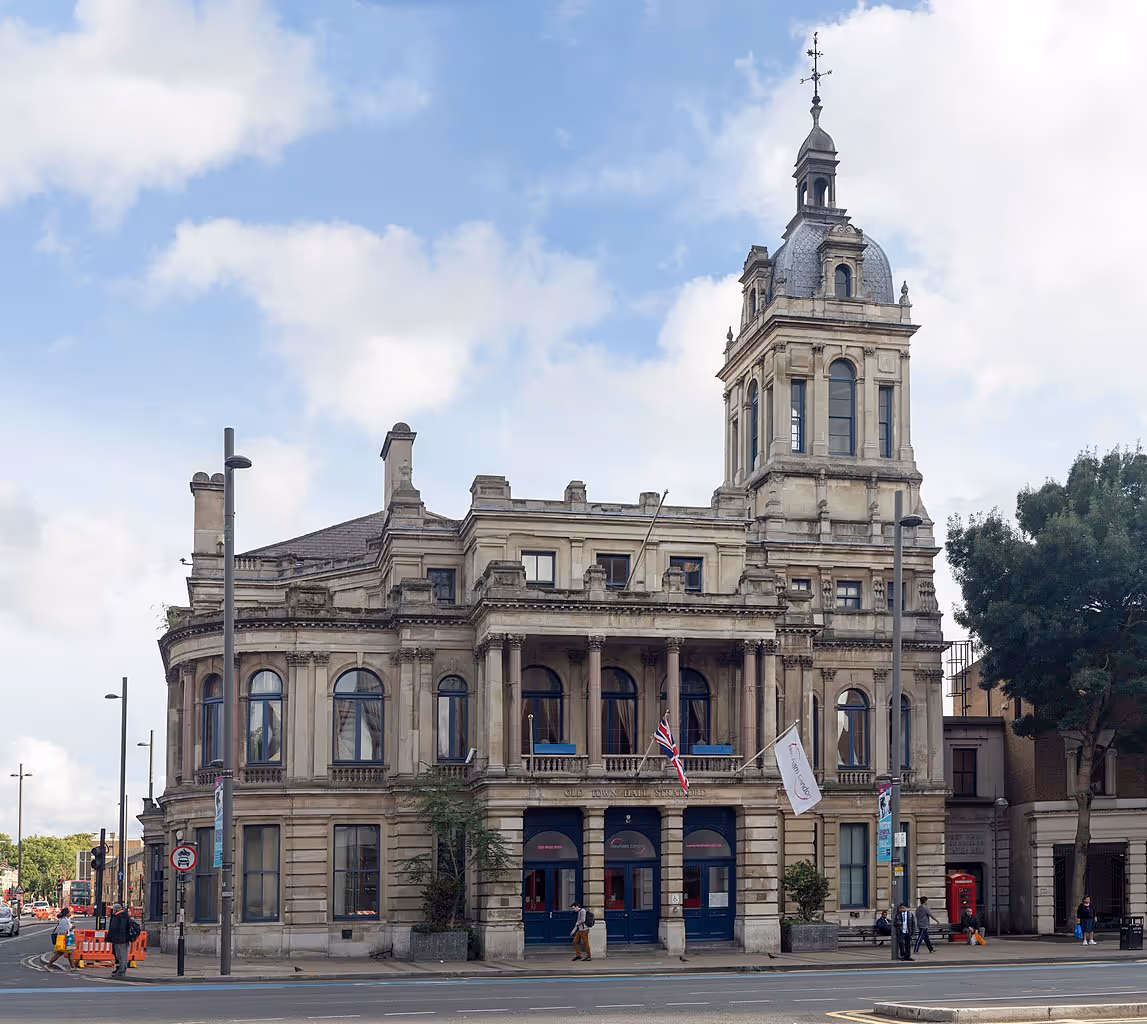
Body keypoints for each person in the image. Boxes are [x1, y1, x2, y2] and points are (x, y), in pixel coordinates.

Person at [106, 902, 138, 978]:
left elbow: (113, 929)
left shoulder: (117, 917)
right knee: (124, 955)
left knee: (119, 956)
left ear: (115, 910)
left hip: (118, 939)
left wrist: (108, 938)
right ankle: (121, 969)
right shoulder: (126, 916)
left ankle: (121, 971)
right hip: (125, 939)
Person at [46, 907, 74, 972]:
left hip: (68, 938)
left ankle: (73, 967)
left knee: (70, 953)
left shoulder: (67, 919)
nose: (70, 913)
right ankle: (48, 965)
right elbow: (63, 932)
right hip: (64, 939)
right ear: (66, 913)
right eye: (69, 912)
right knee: (59, 953)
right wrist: (71, 928)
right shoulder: (64, 921)